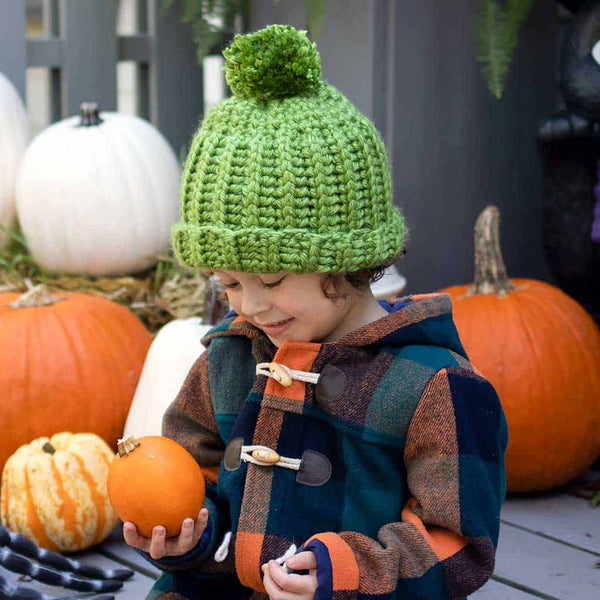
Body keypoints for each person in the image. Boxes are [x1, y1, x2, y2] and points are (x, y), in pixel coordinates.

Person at [123, 24, 508, 600]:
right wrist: (190, 531)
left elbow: (455, 541)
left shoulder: (432, 385)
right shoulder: (230, 357)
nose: (250, 306)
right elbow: (194, 471)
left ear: (347, 260)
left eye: (272, 280)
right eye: (228, 282)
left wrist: (348, 574)